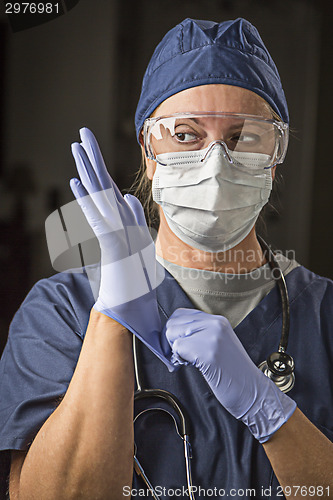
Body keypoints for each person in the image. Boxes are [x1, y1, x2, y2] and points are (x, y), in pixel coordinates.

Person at [1, 17, 333, 500]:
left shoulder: (325, 316)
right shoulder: (62, 310)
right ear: (148, 150)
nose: (217, 164)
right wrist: (112, 321)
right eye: (184, 135)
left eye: (246, 136)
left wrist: (273, 413)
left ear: (276, 155)